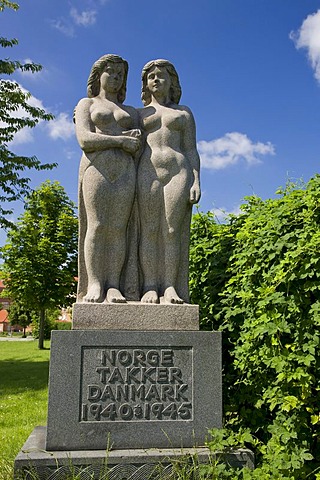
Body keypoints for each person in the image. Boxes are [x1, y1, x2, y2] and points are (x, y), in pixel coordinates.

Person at [75, 54, 141, 303]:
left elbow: (143, 141)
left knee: (118, 229)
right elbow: (84, 139)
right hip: (97, 168)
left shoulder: (130, 111)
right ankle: (95, 283)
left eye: (120, 74)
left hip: (125, 170)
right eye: (110, 72)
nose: (115, 77)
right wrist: (120, 140)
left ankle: (113, 284)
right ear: (98, 75)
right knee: (97, 226)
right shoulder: (87, 105)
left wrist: (134, 138)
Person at [138, 59, 201, 304]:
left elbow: (191, 149)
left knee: (172, 230)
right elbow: (110, 123)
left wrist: (196, 180)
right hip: (148, 171)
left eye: (161, 75)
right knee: (149, 230)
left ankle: (170, 286)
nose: (156, 79)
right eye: (151, 76)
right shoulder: (138, 113)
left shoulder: (183, 113)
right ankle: (150, 286)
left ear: (171, 81)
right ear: (145, 83)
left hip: (178, 171)